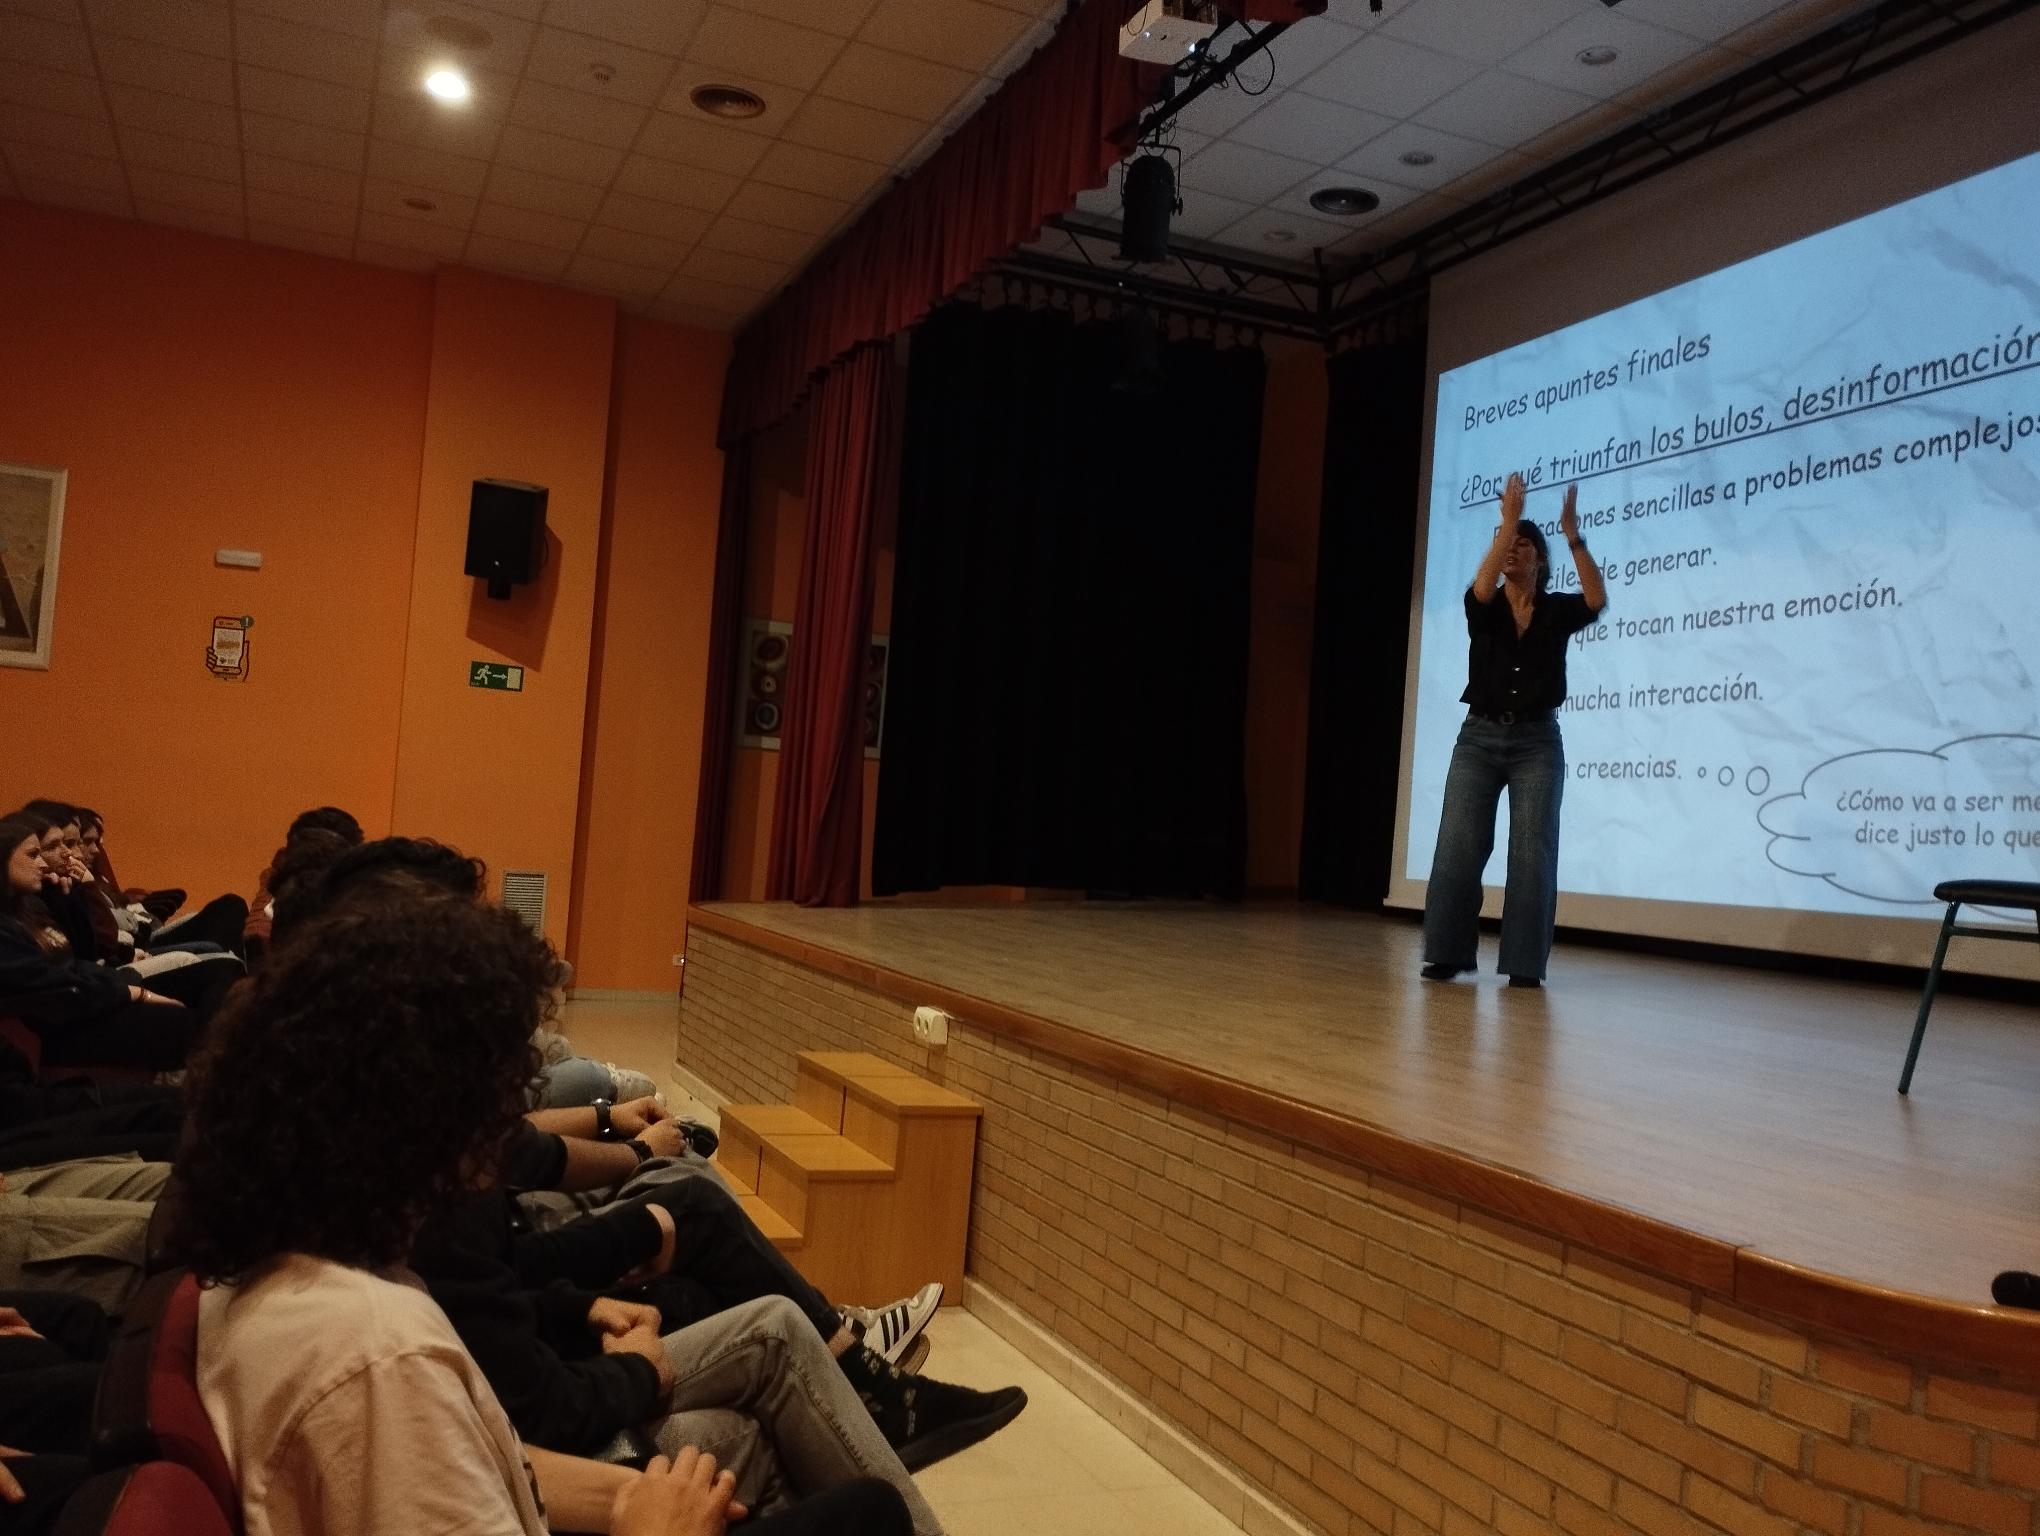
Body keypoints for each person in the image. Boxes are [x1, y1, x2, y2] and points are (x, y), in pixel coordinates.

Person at [181, 880, 917, 1536]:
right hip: (562, 1416)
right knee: (842, 1498)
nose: (511, 1116)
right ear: (424, 1105)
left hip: (546, 1428)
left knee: (830, 1491)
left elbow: (500, 1456)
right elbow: (516, 1421)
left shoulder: (300, 1254)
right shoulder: (381, 1350)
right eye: (499, 1086)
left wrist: (628, 1499)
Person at [1421, 473, 1607, 987]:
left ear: (1540, 562)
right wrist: (1508, 523)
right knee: (1458, 844)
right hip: (1477, 739)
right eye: (1507, 543)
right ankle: (1447, 953)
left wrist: (1573, 535)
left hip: (1537, 743)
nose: (1511, 549)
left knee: (1532, 853)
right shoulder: (1483, 605)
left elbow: (1595, 599)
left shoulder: (1555, 611)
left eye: (1523, 545)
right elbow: (1482, 586)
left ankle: (1524, 966)